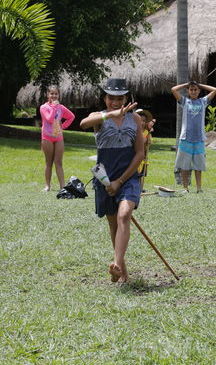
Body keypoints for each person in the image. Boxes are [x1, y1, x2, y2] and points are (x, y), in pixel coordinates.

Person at [80, 78, 144, 283]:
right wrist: (111, 114)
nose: (115, 102)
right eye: (111, 98)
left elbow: (139, 154)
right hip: (105, 179)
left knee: (124, 215)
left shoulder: (135, 120)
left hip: (128, 177)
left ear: (126, 98)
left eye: (120, 98)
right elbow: (82, 124)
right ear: (105, 98)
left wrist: (121, 181)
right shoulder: (98, 117)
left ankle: (116, 264)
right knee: (114, 225)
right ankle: (122, 272)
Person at [170, 81, 216, 193]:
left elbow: (214, 89)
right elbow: (173, 89)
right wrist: (187, 83)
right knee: (184, 166)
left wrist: (199, 84)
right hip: (186, 138)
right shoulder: (184, 101)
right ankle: (185, 188)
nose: (193, 91)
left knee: (198, 166)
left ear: (199, 91)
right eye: (191, 90)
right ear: (188, 91)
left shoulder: (203, 102)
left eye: (195, 89)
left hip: (199, 139)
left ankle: (199, 188)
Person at [39, 85, 75, 191]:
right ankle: (47, 186)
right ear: (48, 95)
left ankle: (62, 186)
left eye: (56, 93)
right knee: (48, 162)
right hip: (47, 137)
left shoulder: (61, 107)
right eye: (52, 93)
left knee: (59, 162)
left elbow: (71, 117)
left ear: (58, 95)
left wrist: (62, 127)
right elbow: (49, 119)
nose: (54, 96)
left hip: (58, 137)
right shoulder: (43, 107)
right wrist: (54, 107)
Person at [135, 109, 156, 191]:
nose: (142, 123)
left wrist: (148, 139)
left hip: (143, 158)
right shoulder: (133, 132)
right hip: (134, 157)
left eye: (144, 121)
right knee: (135, 173)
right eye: (140, 120)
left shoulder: (146, 132)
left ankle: (141, 188)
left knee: (142, 174)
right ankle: (135, 187)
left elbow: (148, 143)